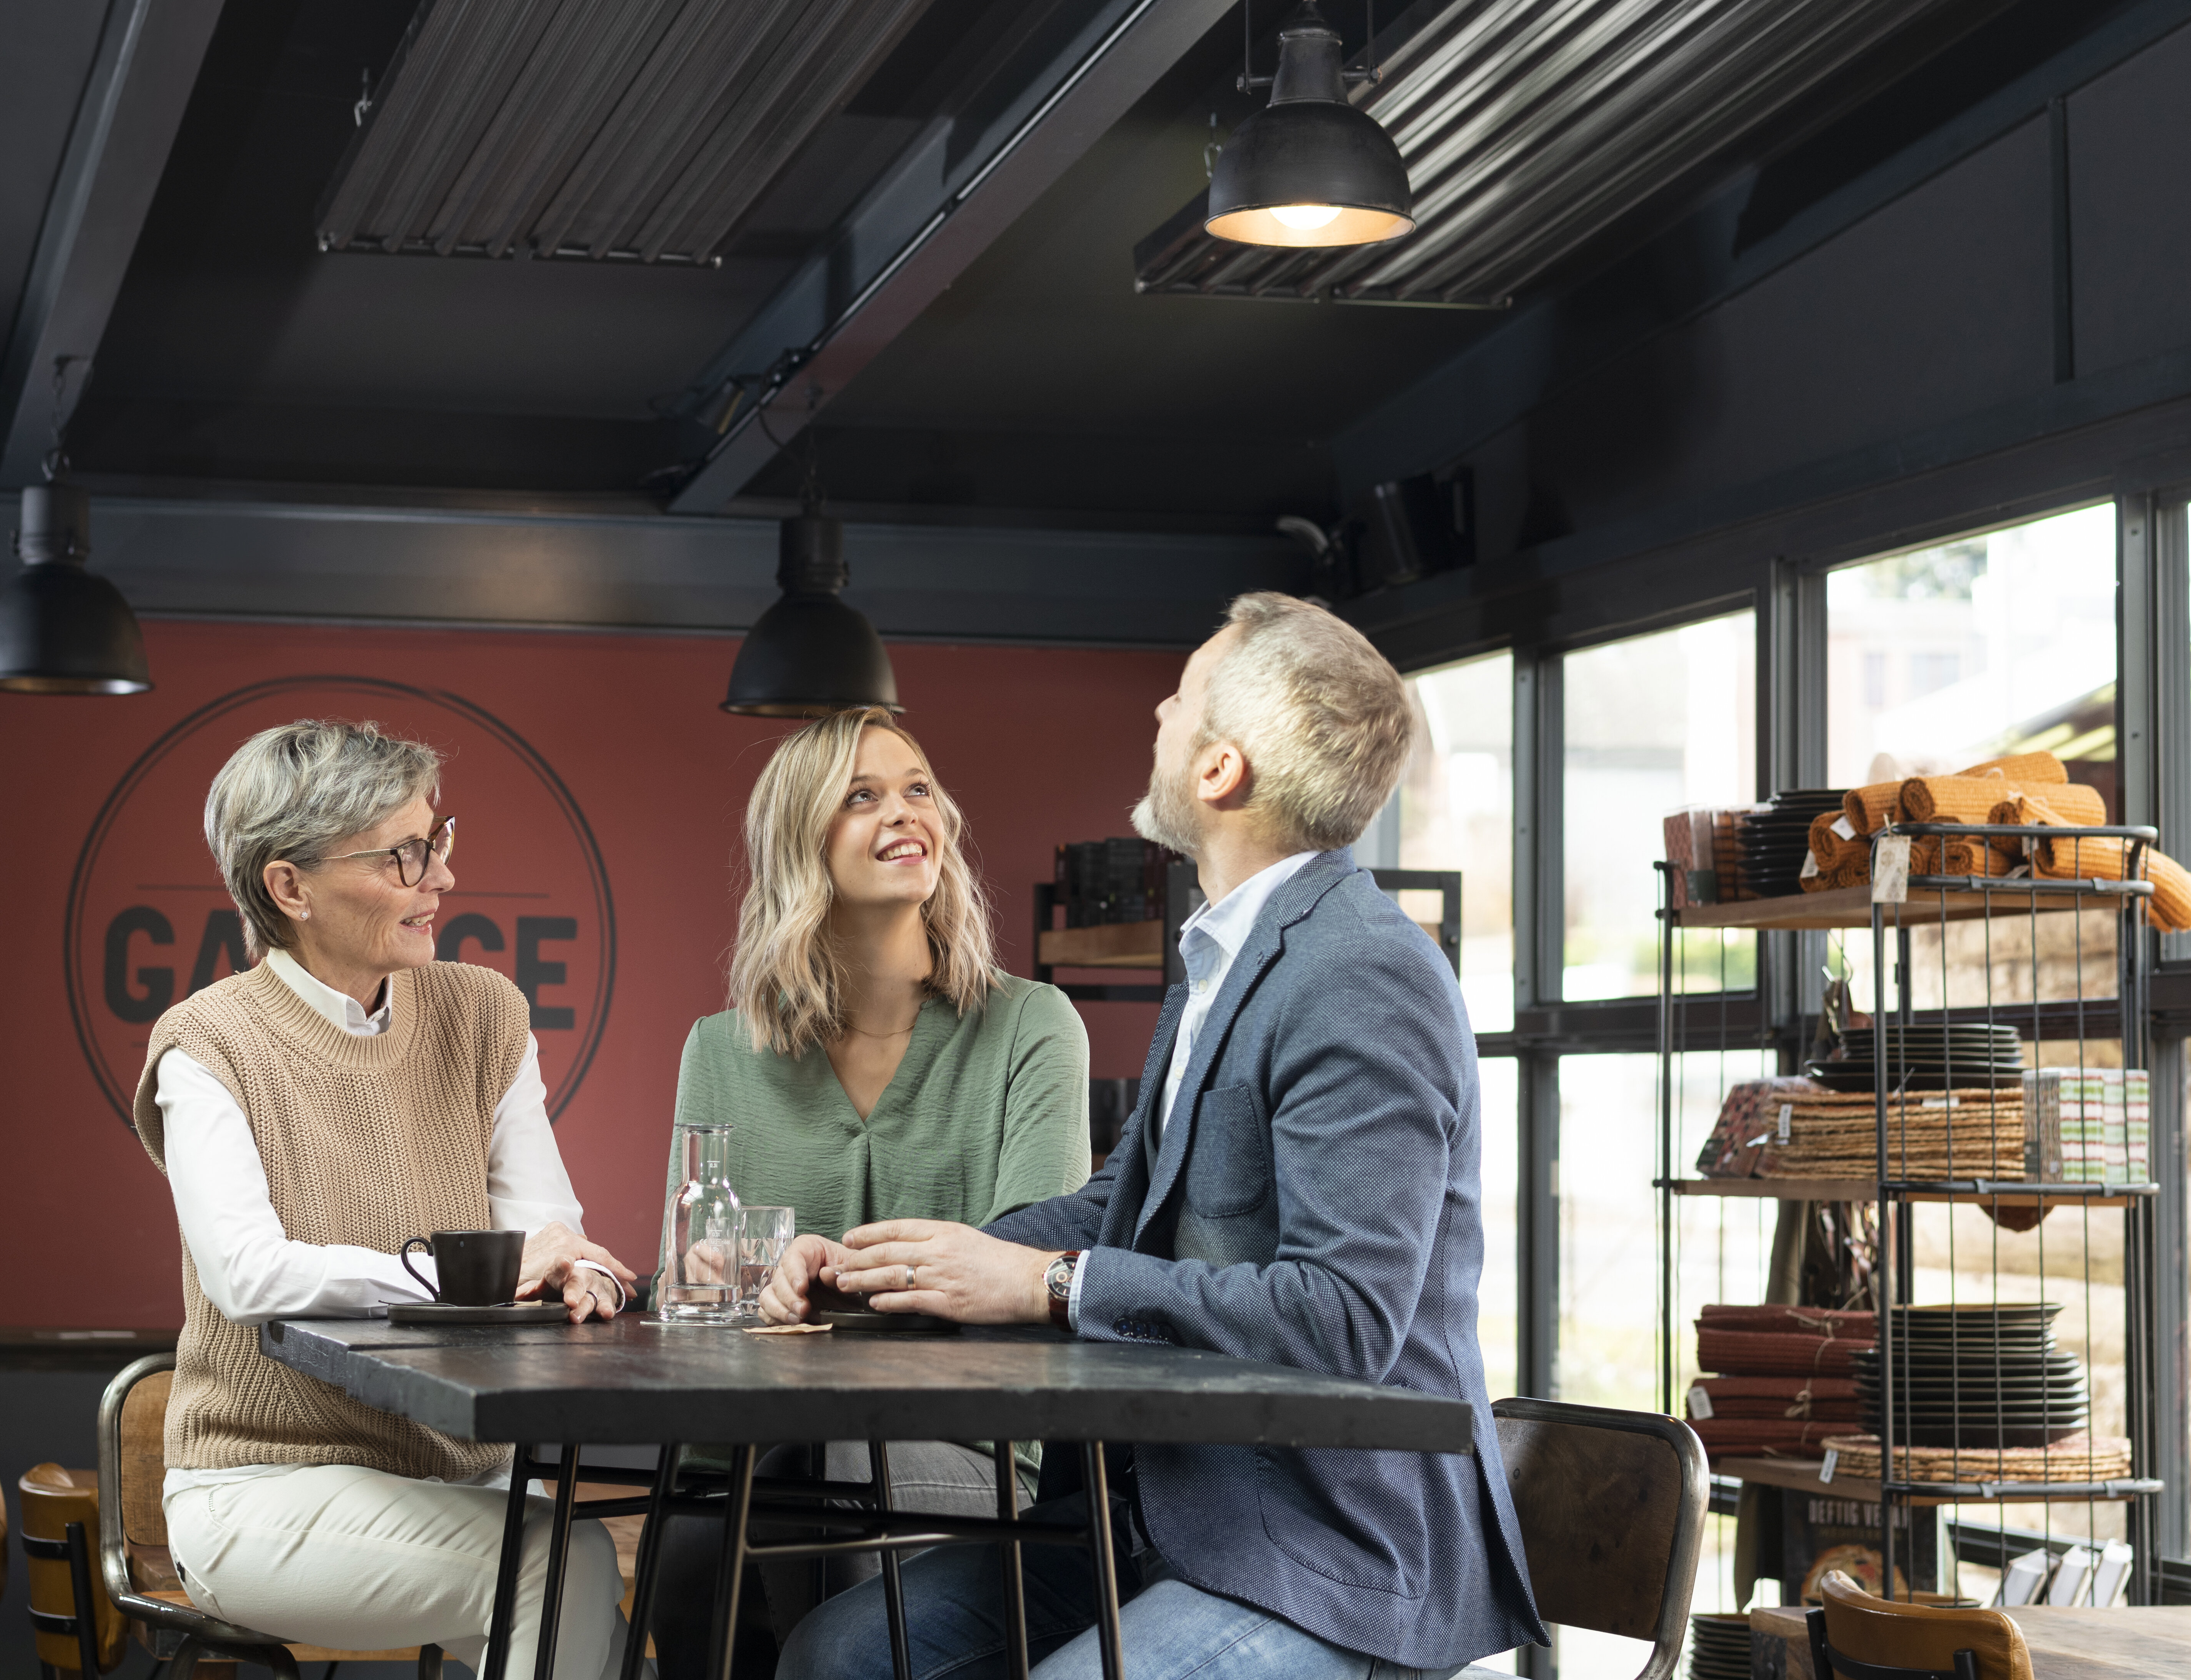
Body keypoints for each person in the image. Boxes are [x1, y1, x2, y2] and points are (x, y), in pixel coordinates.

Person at [760, 592, 1544, 1680]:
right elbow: (1119, 1203)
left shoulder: (1360, 974)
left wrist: (1053, 1283)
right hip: (1175, 1524)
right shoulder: (1232, 954)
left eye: (1178, 699)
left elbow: (1344, 1317)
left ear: (1219, 770)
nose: (1159, 712)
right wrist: (879, 1269)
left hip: (1333, 1556)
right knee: (836, 1654)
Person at [132, 719, 638, 1679]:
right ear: (290, 887)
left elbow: (543, 1231)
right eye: (405, 855)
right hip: (259, 1492)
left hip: (468, 1476)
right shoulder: (208, 1044)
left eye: (438, 840)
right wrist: (469, 1272)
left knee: (612, 1619)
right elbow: (247, 1275)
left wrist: (572, 1267)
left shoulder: (484, 1010)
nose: (441, 877)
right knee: (561, 1564)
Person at [649, 706, 1091, 1671]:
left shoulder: (1033, 1028)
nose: (906, 813)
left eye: (918, 788)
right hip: (754, 1453)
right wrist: (716, 1280)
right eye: (863, 796)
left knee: (840, 1462)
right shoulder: (719, 1048)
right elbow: (673, 1294)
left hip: (970, 1451)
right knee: (694, 1533)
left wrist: (817, 1278)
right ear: (802, 844)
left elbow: (1025, 1270)